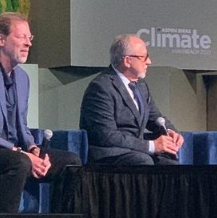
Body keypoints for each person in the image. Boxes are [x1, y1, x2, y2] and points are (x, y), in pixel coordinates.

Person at [0, 12, 81, 213]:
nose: (28, 43)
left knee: (70, 162)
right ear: (1, 40)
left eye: (30, 38)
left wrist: (33, 148)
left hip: (13, 150)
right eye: (21, 37)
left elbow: (21, 124)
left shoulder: (22, 78)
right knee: (19, 163)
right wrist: (23, 154)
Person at [79, 34, 184, 164]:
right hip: (109, 154)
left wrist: (170, 132)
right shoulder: (101, 88)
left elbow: (155, 118)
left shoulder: (141, 85)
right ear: (127, 61)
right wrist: (151, 146)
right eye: (144, 57)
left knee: (169, 163)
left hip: (136, 150)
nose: (149, 62)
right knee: (143, 161)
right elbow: (107, 136)